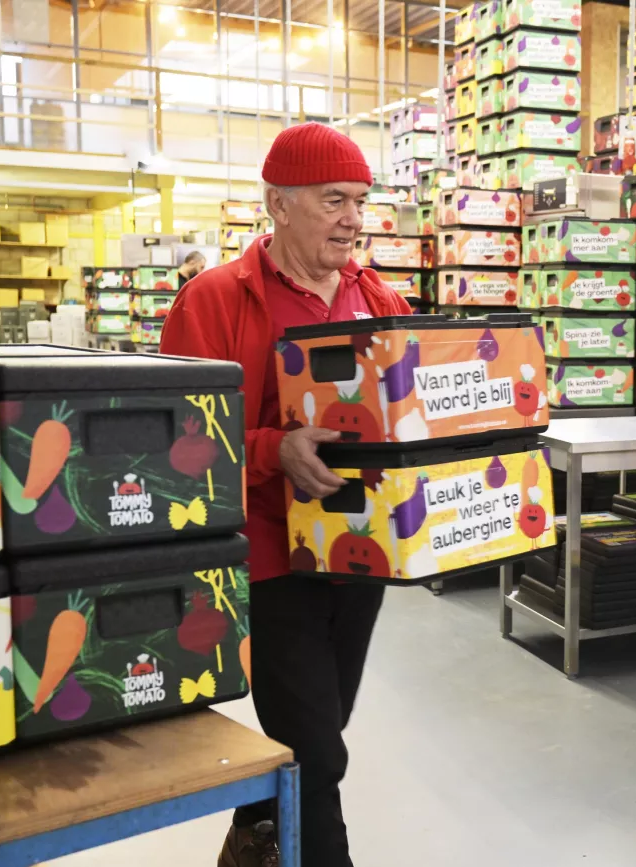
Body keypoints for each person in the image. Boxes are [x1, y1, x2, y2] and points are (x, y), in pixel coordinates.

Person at [160, 122, 411, 867]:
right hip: (268, 556)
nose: (353, 219)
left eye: (360, 200)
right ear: (278, 205)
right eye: (334, 200)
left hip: (359, 555)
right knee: (317, 753)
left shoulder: (381, 298)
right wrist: (276, 450)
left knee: (314, 730)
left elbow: (407, 415)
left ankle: (254, 836)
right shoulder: (212, 301)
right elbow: (180, 445)